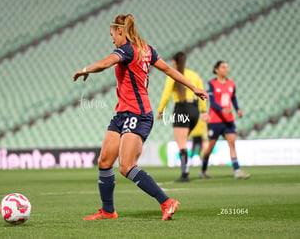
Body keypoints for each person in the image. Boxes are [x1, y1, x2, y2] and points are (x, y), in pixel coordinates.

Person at [73, 14, 208, 221]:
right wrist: (193, 87)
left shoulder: (127, 50)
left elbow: (107, 63)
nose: (112, 40)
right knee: (104, 160)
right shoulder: (146, 49)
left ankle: (166, 201)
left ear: (120, 31)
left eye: (112, 35)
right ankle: (108, 211)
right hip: (122, 113)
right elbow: (169, 70)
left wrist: (85, 69)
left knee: (126, 166)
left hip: (138, 113)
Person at [156, 52, 208, 182]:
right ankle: (186, 170)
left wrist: (160, 111)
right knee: (184, 140)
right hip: (194, 110)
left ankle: (185, 174)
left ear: (174, 62)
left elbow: (166, 95)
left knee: (182, 143)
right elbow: (201, 93)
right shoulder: (194, 75)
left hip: (181, 110)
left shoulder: (173, 75)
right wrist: (204, 111)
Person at [199, 60, 250, 180]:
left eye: (227, 67)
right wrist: (222, 109)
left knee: (232, 144)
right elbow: (212, 102)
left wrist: (237, 109)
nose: (226, 69)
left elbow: (234, 99)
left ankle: (237, 171)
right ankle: (203, 170)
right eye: (223, 67)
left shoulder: (231, 83)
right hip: (215, 120)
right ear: (216, 70)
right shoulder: (211, 84)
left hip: (229, 120)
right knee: (210, 148)